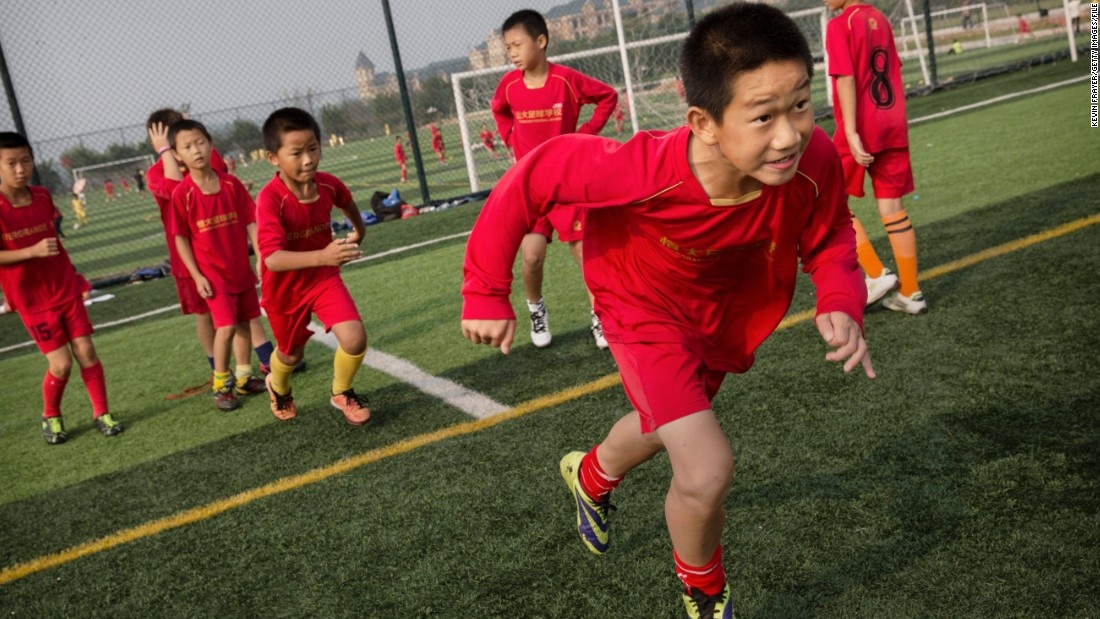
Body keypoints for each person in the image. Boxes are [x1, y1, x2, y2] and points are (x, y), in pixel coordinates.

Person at [461, 4, 874, 617]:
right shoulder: (646, 168)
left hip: (721, 313)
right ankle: (704, 591)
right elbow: (534, 175)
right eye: (762, 117)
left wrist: (841, 297)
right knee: (706, 466)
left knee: (668, 423)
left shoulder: (810, 162)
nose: (788, 133)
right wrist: (485, 291)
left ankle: (592, 476)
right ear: (703, 123)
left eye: (800, 105)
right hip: (638, 305)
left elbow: (831, 232)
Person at [490, 8, 619, 350]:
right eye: (508, 48)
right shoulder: (509, 86)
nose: (513, 53)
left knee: (583, 252)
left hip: (566, 185)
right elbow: (499, 110)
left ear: (541, 41)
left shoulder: (566, 80)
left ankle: (600, 314)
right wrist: (510, 139)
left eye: (517, 45)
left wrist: (586, 134)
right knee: (531, 257)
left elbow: (608, 96)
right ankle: (536, 309)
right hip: (530, 189)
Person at [0, 132, 123, 444]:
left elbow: (56, 244)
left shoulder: (42, 196)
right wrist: (32, 252)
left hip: (65, 289)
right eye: (11, 163)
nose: (20, 169)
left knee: (87, 352)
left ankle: (102, 413)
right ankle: (51, 415)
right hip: (32, 300)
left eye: (25, 161)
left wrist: (75, 277)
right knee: (61, 363)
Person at [145, 108, 281, 384]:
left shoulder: (210, 156)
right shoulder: (157, 172)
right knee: (207, 315)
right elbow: (175, 189)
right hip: (190, 259)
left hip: (227, 251)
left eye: (196, 139)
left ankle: (261, 359)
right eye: (179, 140)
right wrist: (164, 152)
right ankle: (219, 369)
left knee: (241, 311)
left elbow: (222, 187)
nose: (194, 148)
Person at [256, 107, 372, 426]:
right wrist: (323, 255)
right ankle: (277, 386)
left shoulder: (328, 185)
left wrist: (359, 231)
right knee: (291, 355)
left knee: (355, 338)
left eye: (313, 149)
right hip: (284, 291)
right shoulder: (270, 199)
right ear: (273, 158)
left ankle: (342, 391)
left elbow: (346, 200)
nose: (307, 159)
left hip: (323, 279)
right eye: (296, 152)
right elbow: (273, 259)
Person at [826, 0, 928, 314]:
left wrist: (852, 131)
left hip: (861, 126)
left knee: (830, 203)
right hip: (892, 123)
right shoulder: (880, 18)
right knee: (892, 207)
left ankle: (874, 273)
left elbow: (846, 77)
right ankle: (911, 292)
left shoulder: (840, 24)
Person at [167, 119, 265, 411]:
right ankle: (221, 384)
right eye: (187, 146)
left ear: (210, 144)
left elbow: (251, 221)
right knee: (226, 329)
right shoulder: (182, 194)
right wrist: (196, 276)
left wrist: (260, 256)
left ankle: (245, 377)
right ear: (176, 154)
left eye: (200, 142)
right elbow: (180, 239)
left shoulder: (231, 184)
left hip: (240, 271)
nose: (195, 150)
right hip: (214, 277)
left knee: (247, 322)